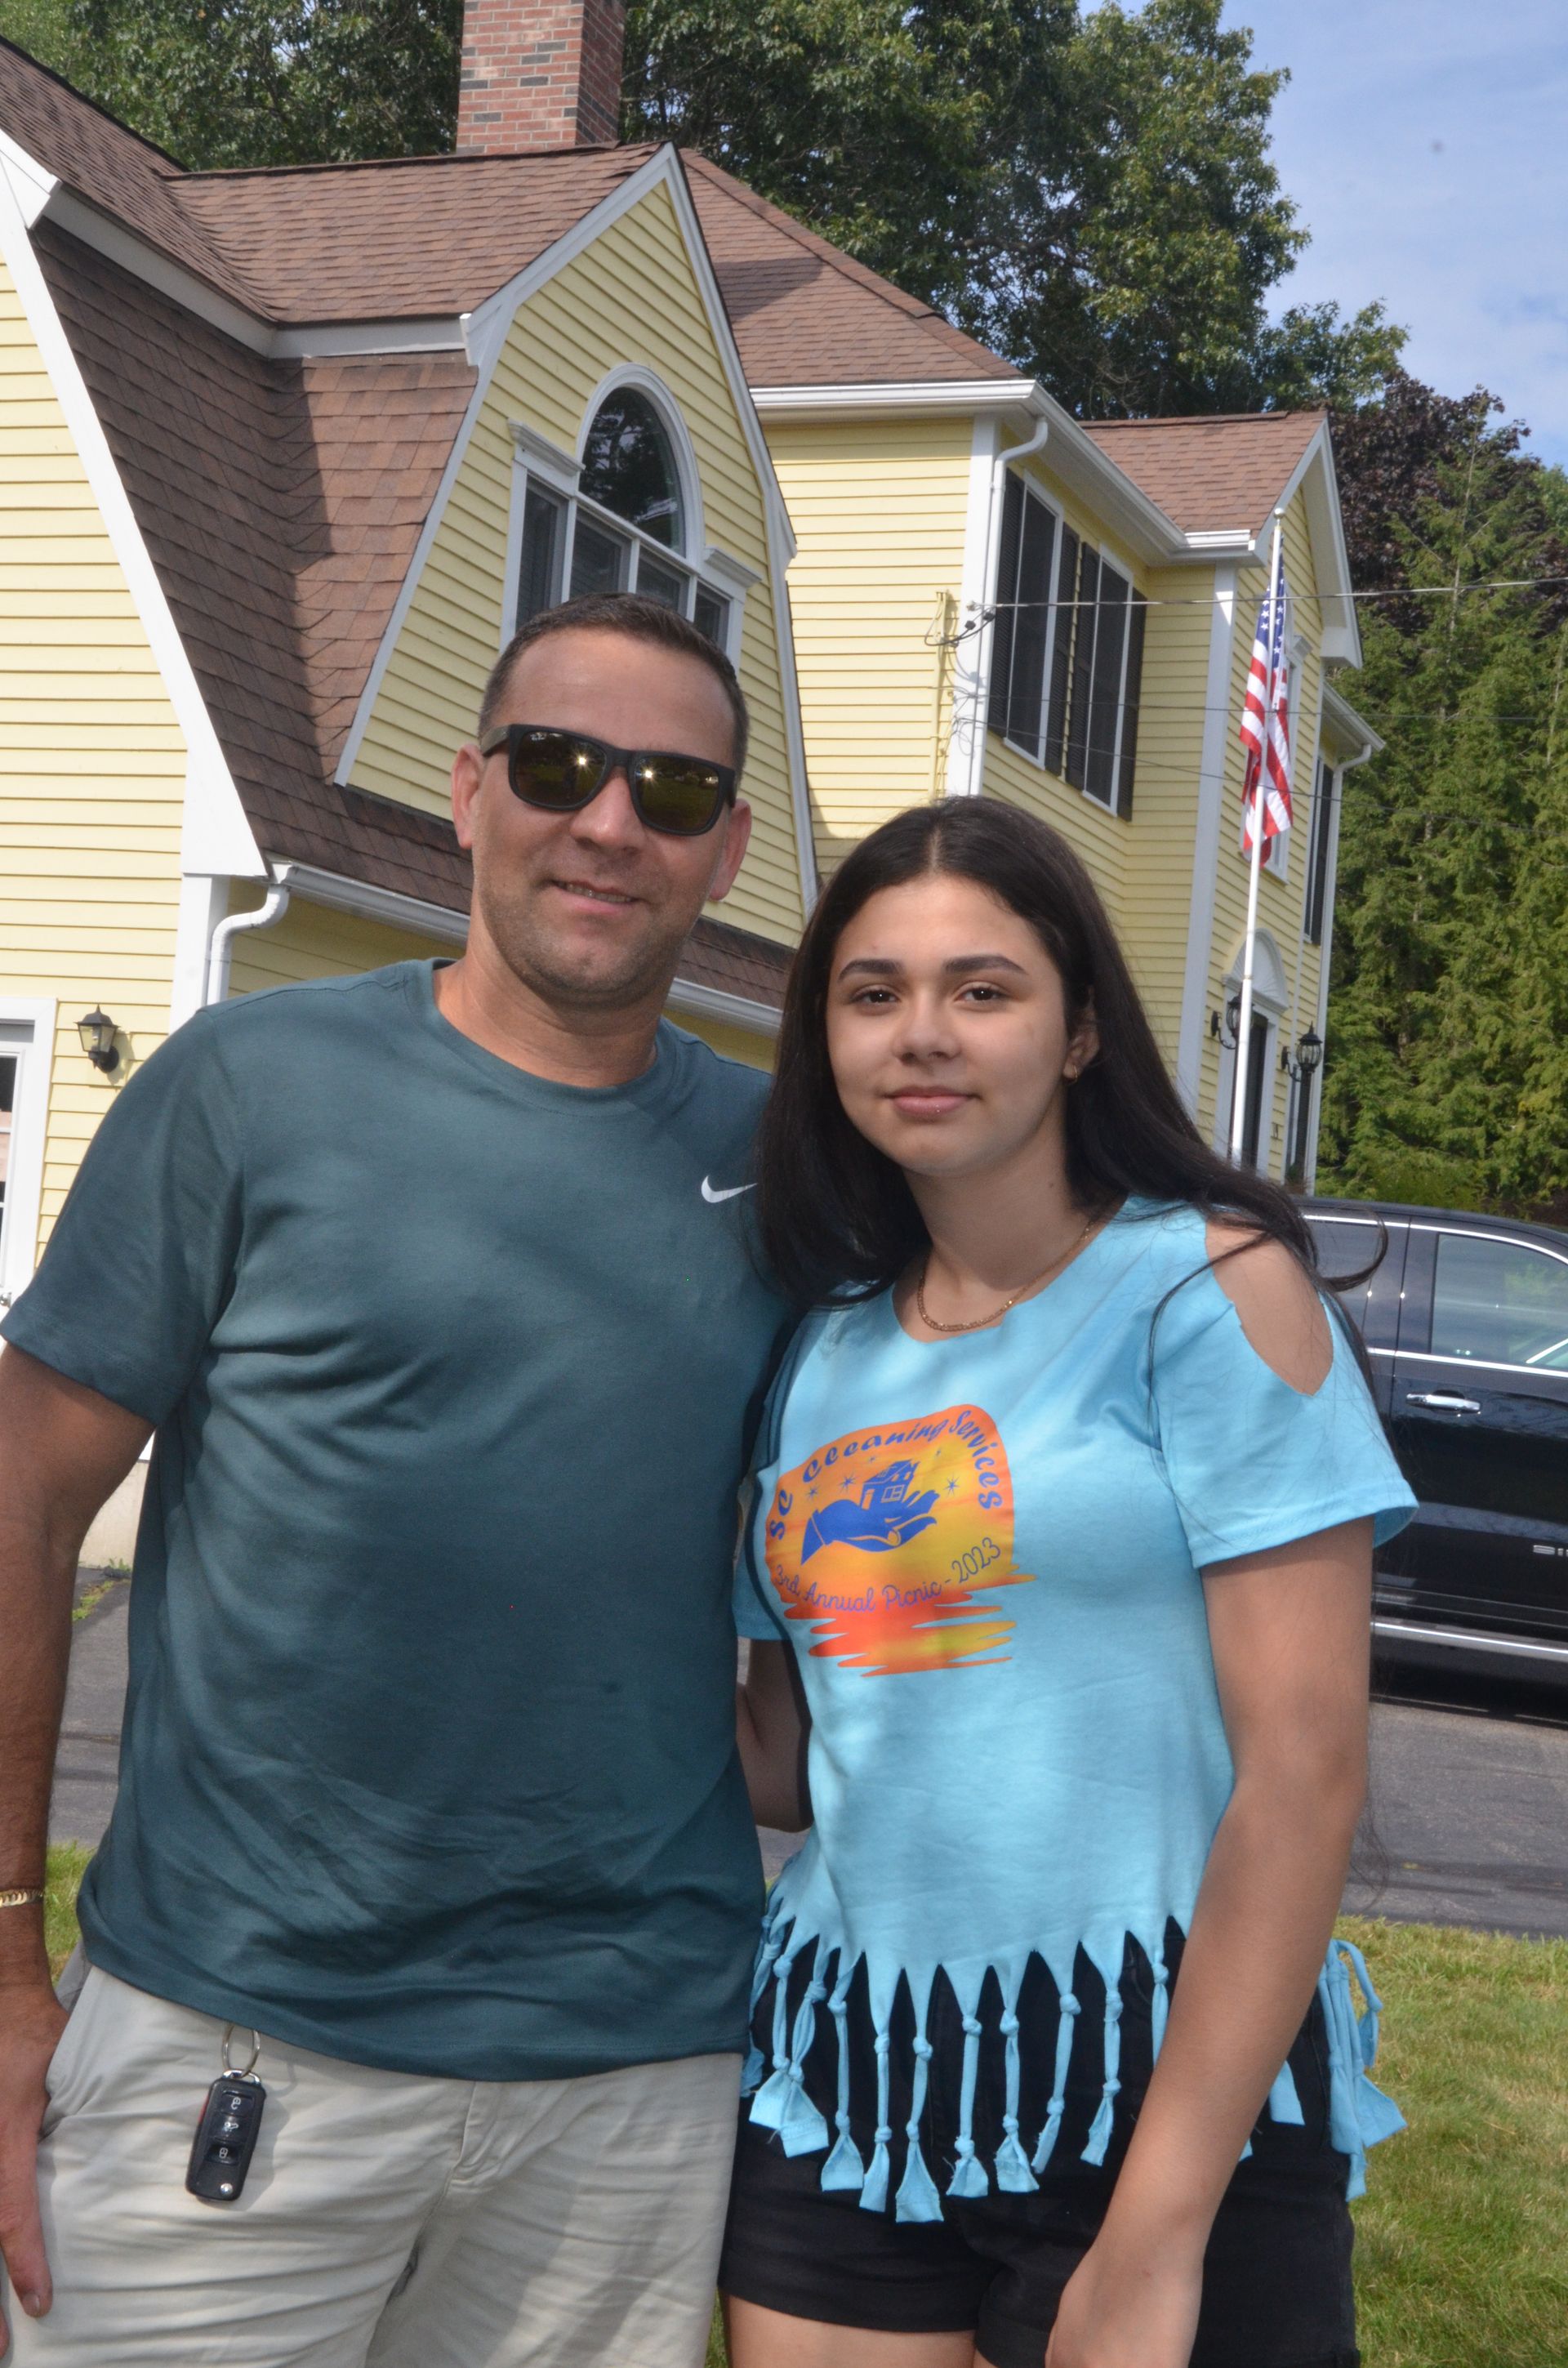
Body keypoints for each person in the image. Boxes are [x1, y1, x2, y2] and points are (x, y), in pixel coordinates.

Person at [0, 593, 792, 2368]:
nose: (609, 821)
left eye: (671, 790)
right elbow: (22, 1506)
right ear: (469, 789)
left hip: (634, 2080)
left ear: (726, 847)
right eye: (562, 764)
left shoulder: (782, 1164)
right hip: (238, 2038)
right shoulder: (249, 1088)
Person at [723, 798, 1415, 2368]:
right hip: (849, 2079)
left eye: (984, 989)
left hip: (1165, 2079)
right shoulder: (817, 1349)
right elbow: (791, 1764)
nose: (925, 1035)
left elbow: (1304, 1778)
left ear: (1081, 1028)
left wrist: (1158, 2234)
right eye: (873, 991)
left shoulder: (1208, 1287)